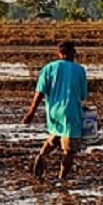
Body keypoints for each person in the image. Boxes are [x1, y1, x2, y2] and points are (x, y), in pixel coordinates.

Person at [21, 40, 88, 181]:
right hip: (70, 112)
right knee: (69, 150)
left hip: (53, 112)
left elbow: (39, 92)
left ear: (59, 53)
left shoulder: (48, 68)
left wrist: (31, 112)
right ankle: (62, 178)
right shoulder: (79, 70)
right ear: (73, 54)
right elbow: (82, 95)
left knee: (55, 135)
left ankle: (42, 155)